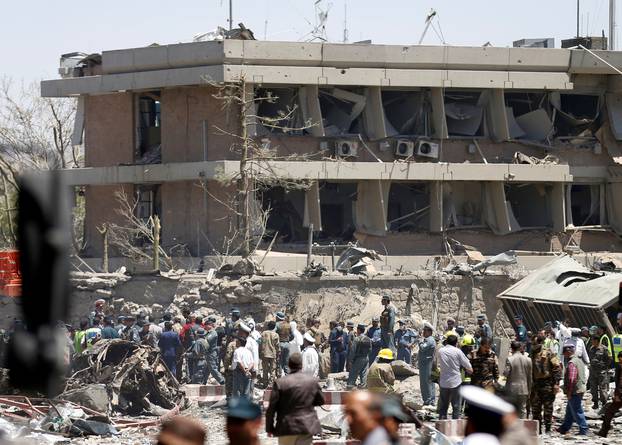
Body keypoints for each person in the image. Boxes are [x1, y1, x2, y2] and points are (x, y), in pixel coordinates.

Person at [265, 353, 324, 445]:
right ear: (302, 365)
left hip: (287, 427)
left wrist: (269, 428)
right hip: (306, 427)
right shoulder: (312, 381)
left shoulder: (280, 383)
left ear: (289, 365)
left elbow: (271, 408)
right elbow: (321, 401)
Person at [530, 334, 561, 434]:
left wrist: (556, 383)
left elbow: (557, 367)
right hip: (535, 384)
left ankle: (547, 429)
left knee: (548, 408)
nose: (535, 345)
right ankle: (537, 429)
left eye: (536, 343)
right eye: (534, 343)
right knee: (535, 408)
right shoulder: (532, 353)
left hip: (547, 384)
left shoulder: (548, 353)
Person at [438, 334, 472, 420]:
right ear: (456, 343)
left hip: (443, 382)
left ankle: (442, 427)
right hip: (455, 382)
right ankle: (455, 427)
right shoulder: (458, 352)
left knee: (443, 407)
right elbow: (468, 367)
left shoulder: (440, 351)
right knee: (456, 406)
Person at [557, 344, 589, 436]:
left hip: (575, 391)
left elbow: (572, 379)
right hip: (579, 389)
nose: (565, 356)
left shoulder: (572, 363)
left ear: (569, 352)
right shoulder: (579, 360)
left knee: (577, 411)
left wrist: (569, 392)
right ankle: (564, 428)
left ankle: (584, 429)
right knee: (570, 411)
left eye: (565, 353)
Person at [503, 341, 532, 419]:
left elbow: (505, 374)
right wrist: (529, 390)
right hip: (524, 389)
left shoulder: (510, 359)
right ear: (520, 348)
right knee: (522, 410)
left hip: (512, 389)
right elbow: (530, 377)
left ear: (511, 349)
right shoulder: (528, 360)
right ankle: (522, 428)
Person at [597, 350, 622, 437]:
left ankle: (603, 431)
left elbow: (620, 382)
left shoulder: (620, 367)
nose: (619, 361)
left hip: (620, 396)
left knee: (609, 412)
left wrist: (618, 395)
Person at [588, 334, 610, 412]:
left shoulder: (604, 349)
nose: (591, 342)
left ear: (596, 340)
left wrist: (603, 366)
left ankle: (604, 403)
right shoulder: (591, 348)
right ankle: (595, 403)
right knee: (593, 388)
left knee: (602, 388)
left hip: (601, 372)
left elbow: (609, 359)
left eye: (592, 340)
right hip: (593, 372)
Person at [417, 323, 436, 407]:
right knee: (428, 382)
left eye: (425, 330)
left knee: (426, 382)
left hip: (427, 364)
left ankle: (428, 400)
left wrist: (420, 341)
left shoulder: (430, 340)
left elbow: (423, 348)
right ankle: (430, 400)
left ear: (429, 331)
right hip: (425, 363)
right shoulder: (428, 339)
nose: (423, 332)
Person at [348, 324, 371, 389]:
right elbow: (370, 349)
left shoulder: (357, 339)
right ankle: (363, 386)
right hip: (366, 357)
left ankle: (350, 386)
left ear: (358, 330)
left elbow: (352, 350)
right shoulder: (368, 339)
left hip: (358, 358)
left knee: (353, 372)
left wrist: (350, 360)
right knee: (364, 373)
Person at [204, 316, 225, 384]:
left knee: (213, 369)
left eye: (206, 325)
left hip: (211, 354)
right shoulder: (208, 333)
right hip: (208, 354)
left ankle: (222, 380)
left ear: (209, 325)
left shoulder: (213, 333)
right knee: (206, 369)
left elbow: (206, 340)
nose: (205, 327)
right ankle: (202, 382)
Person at [260, 320, 280, 387]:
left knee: (265, 369)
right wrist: (278, 352)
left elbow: (260, 343)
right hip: (272, 354)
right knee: (272, 369)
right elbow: (277, 345)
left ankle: (265, 383)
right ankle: (271, 384)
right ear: (274, 327)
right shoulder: (276, 335)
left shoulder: (263, 333)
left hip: (264, 353)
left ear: (268, 326)